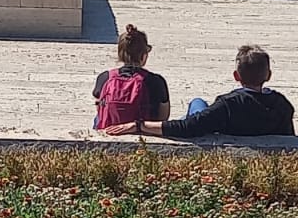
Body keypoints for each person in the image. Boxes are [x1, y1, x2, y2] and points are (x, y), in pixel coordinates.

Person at [103, 45, 295, 140]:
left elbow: (187, 127)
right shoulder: (282, 104)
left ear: (236, 76)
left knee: (197, 103)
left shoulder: (228, 104)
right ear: (268, 75)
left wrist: (138, 125)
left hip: (218, 127)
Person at [92, 23, 170, 129]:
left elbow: (99, 108)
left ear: (120, 54)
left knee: (97, 119)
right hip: (143, 130)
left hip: (110, 129)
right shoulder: (156, 81)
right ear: (143, 55)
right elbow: (163, 117)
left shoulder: (105, 78)